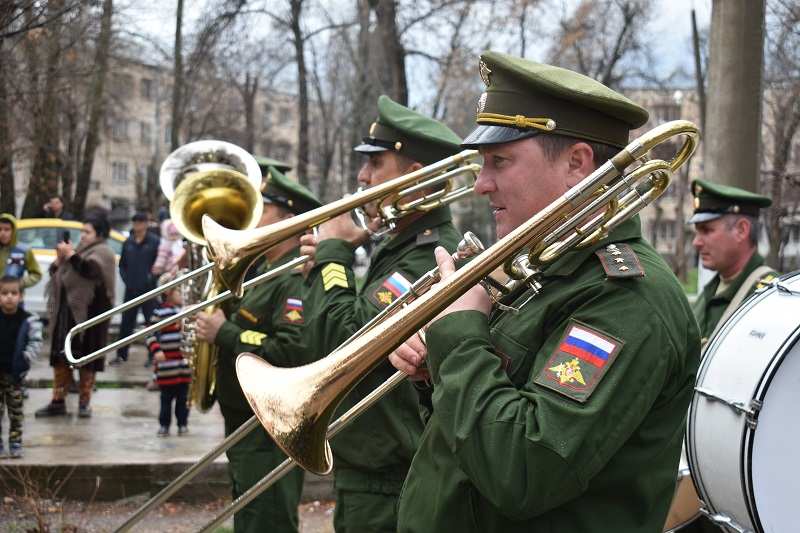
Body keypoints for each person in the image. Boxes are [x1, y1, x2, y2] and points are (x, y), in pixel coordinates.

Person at [387, 51, 701, 532]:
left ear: (577, 163)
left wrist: (459, 336)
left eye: (500, 161)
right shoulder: (543, 272)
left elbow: (522, 471)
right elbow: (475, 441)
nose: (481, 184)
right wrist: (438, 370)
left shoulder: (626, 298)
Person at [299, 95, 463, 533]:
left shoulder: (429, 254)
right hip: (371, 465)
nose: (362, 177)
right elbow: (313, 339)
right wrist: (322, 267)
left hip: (388, 476)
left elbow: (344, 341)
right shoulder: (399, 247)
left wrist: (333, 255)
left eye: (375, 164)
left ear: (414, 177)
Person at [195, 164, 322, 533]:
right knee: (249, 515)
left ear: (288, 220)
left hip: (267, 426)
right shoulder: (264, 270)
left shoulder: (294, 279)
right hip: (243, 415)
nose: (252, 217)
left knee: (267, 518)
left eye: (263, 208)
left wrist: (224, 332)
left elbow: (289, 350)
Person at [36, 211, 116, 418]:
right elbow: (57, 274)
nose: (83, 236)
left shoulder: (104, 252)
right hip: (67, 313)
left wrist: (71, 256)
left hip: (91, 316)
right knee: (61, 358)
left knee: (87, 360)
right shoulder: (80, 250)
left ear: (99, 234)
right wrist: (60, 260)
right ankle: (58, 401)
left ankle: (84, 403)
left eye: (87, 232)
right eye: (82, 231)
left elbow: (91, 271)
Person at [689, 179, 777, 347]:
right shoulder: (712, 289)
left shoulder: (769, 298)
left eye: (706, 230)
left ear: (741, 230)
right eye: (697, 232)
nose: (696, 242)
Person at [0, 276, 43, 458]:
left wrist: (26, 358)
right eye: (4, 293)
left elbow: (36, 342)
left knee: (16, 411)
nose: (9, 297)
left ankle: (15, 441)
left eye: (14, 293)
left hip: (15, 376)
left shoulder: (28, 320)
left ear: (21, 296)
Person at [146, 275, 191, 437]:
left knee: (183, 400)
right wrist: (156, 350)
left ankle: (182, 424)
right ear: (168, 292)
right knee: (166, 399)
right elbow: (149, 334)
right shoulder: (160, 313)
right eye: (179, 291)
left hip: (184, 367)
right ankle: (164, 425)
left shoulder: (185, 311)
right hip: (167, 368)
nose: (183, 294)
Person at [113, 212, 160, 365]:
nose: (137, 226)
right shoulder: (128, 242)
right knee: (126, 323)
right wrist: (127, 280)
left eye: (140, 223)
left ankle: (153, 356)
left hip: (148, 291)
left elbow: (158, 264)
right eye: (135, 223)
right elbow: (122, 265)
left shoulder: (154, 242)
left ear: (146, 224)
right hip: (131, 290)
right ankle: (121, 355)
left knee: (151, 323)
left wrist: (150, 279)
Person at [0, 213, 43, 290]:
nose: (2, 233)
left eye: (7, 229)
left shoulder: (23, 250)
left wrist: (20, 283)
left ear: (14, 231)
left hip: (13, 295)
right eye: (0, 229)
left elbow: (36, 274)